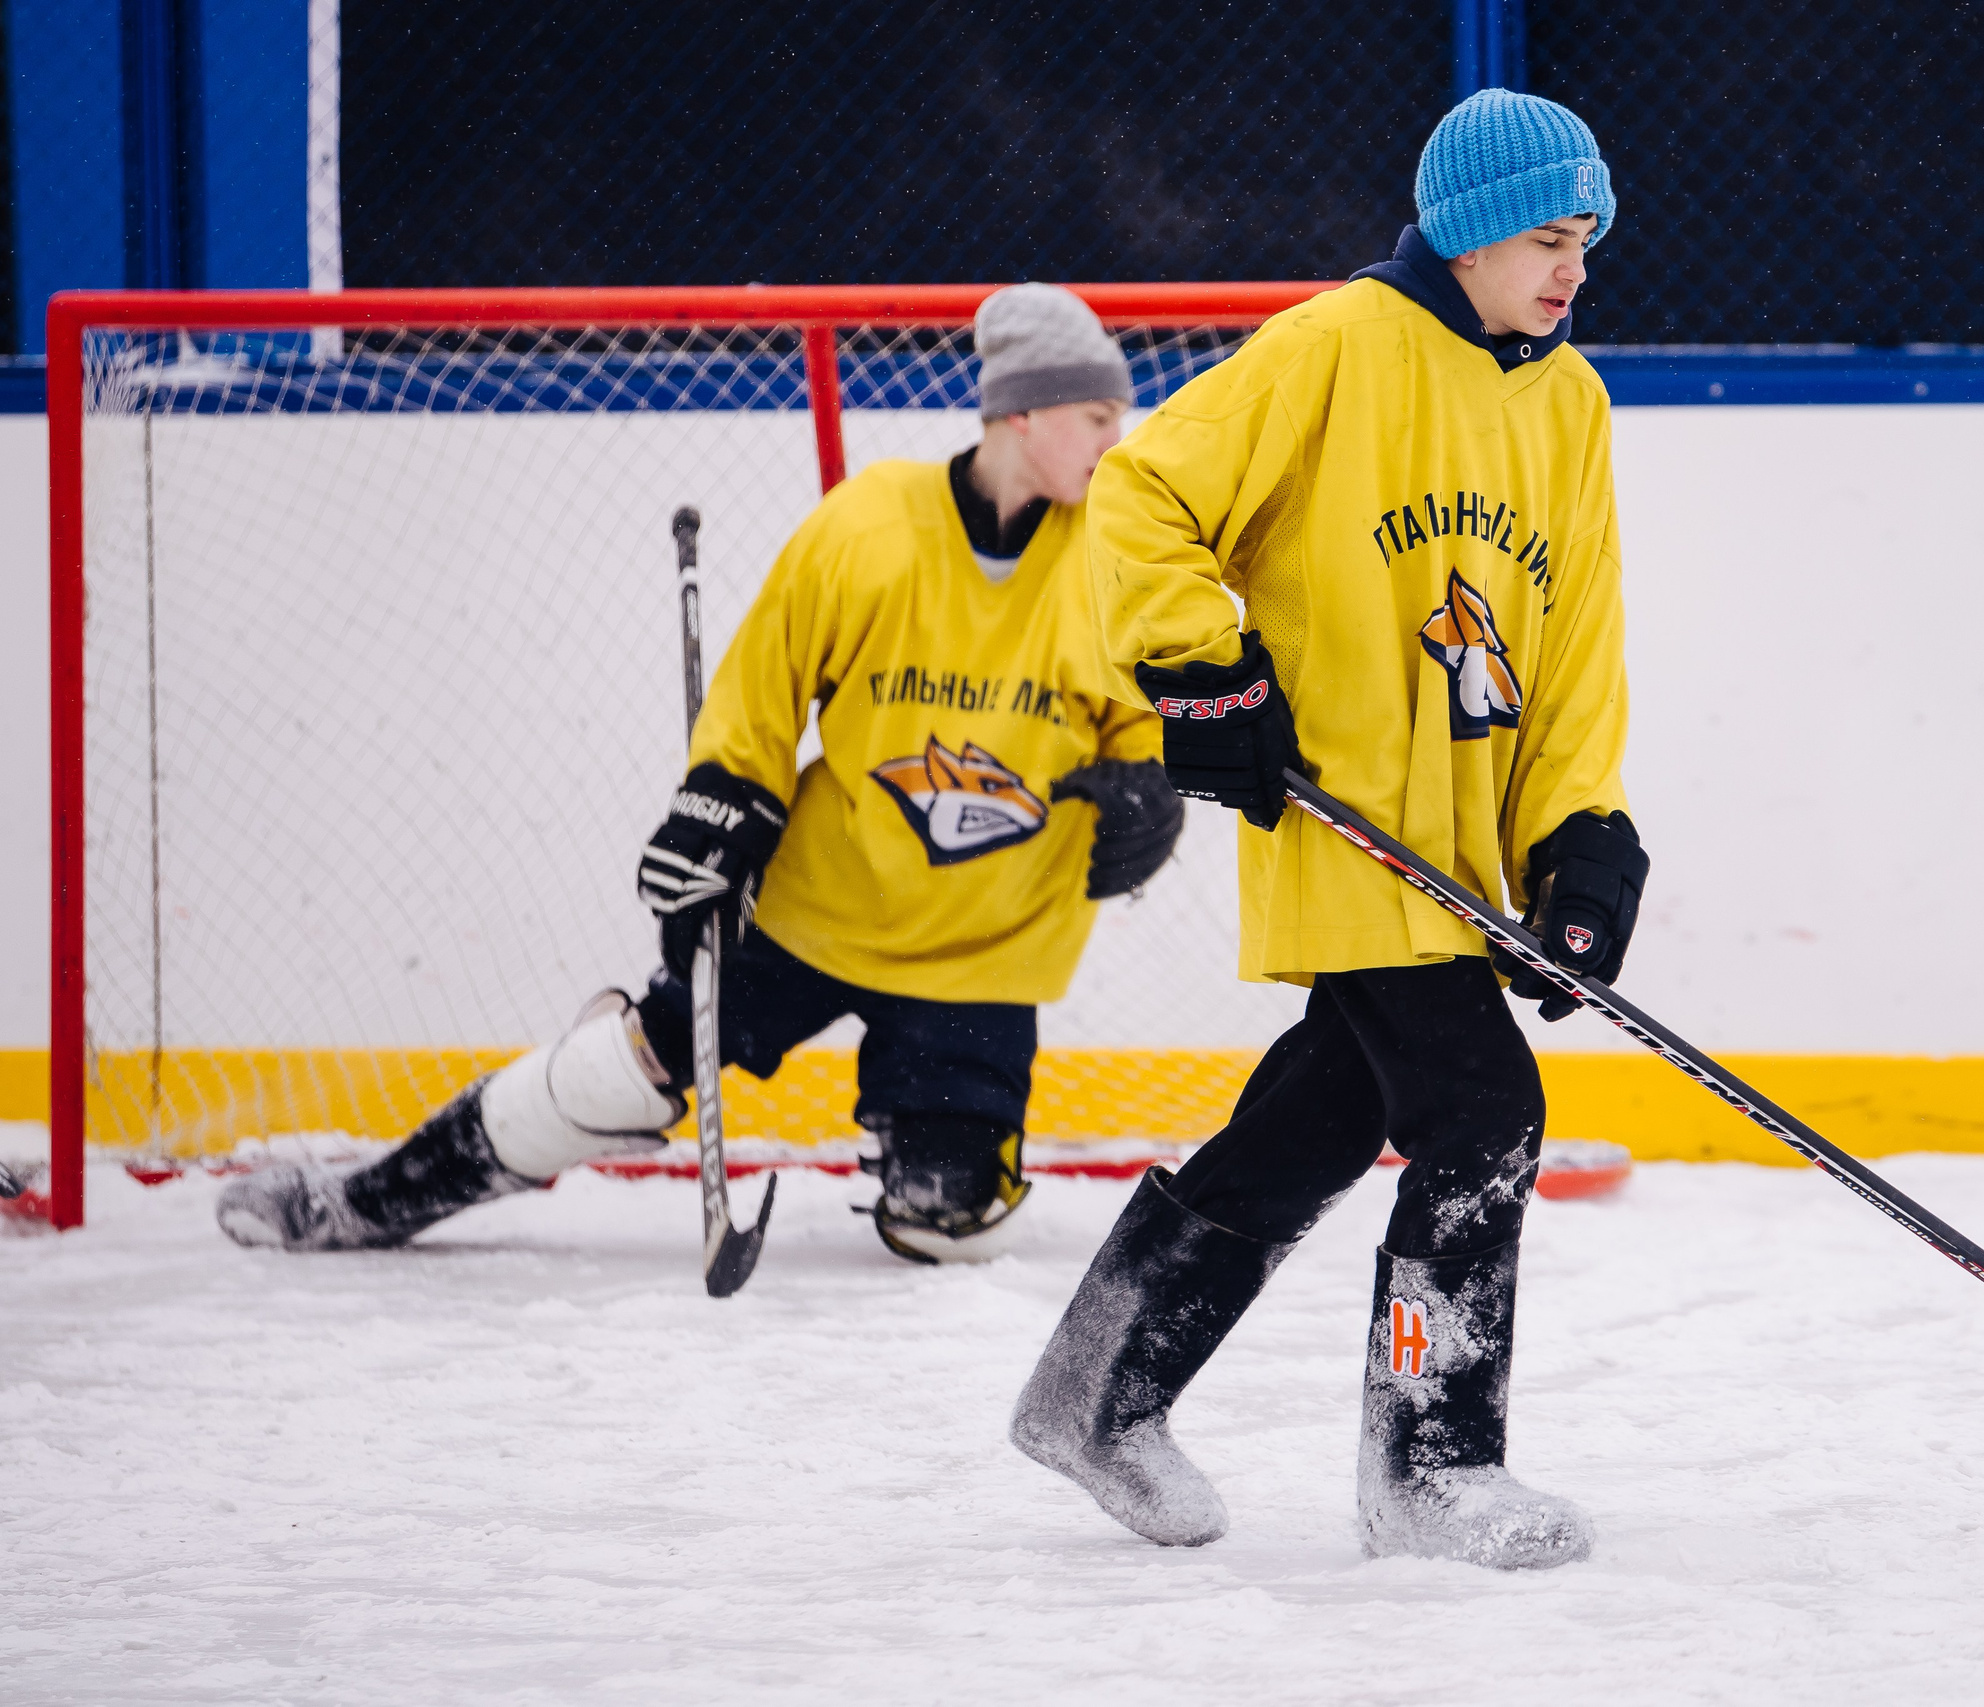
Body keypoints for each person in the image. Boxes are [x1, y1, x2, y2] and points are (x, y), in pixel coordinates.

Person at [218, 285, 1181, 1266]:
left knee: (946, 1223)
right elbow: (759, 699)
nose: (1120, 437)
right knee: (608, 1078)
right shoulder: (869, 528)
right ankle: (365, 1201)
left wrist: (1150, 792)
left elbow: (1141, 717)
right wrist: (715, 813)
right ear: (1022, 412)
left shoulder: (1109, 555)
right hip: (821, 907)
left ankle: (929, 1155)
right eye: (1099, 415)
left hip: (986, 946)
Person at [1010, 89, 1648, 1568]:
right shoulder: (1332, 348)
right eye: (1549, 239)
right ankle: (1428, 1463)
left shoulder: (1572, 402)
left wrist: (1582, 837)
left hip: (1459, 851)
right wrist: (1206, 673)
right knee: (1483, 1113)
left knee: (1319, 1117)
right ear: (1477, 234)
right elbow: (1144, 499)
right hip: (1343, 826)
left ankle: (1095, 1390)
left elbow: (1576, 648)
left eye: (1587, 244)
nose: (1572, 270)